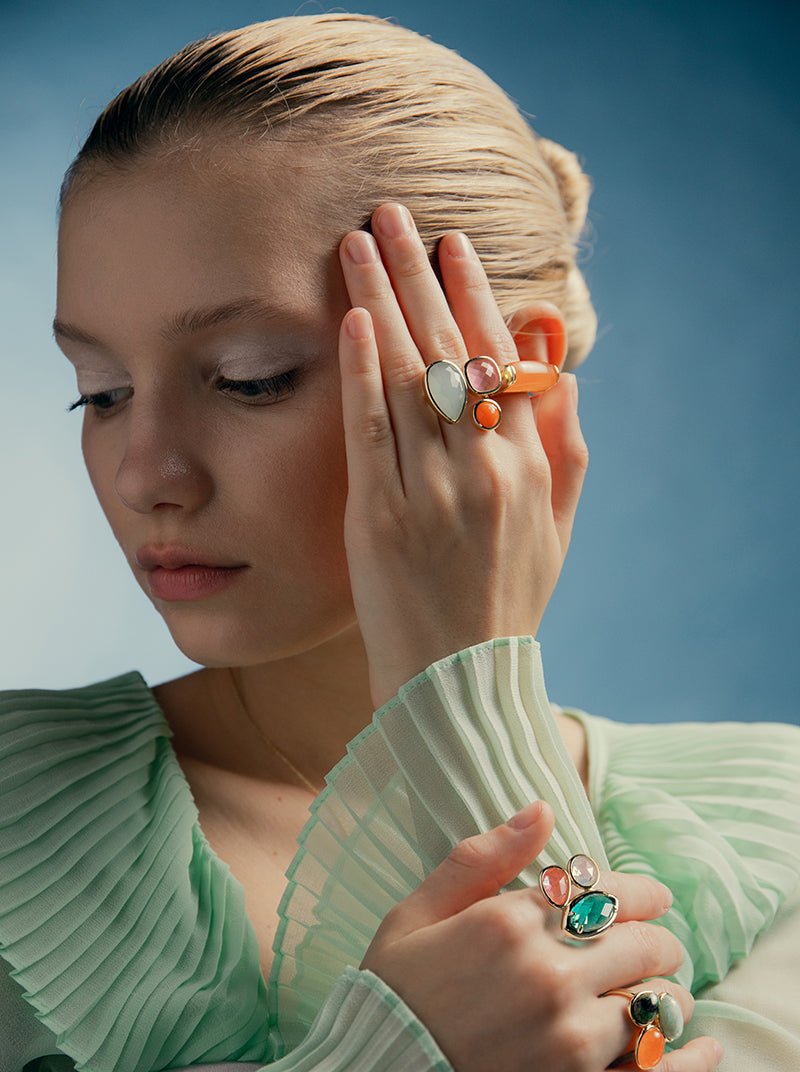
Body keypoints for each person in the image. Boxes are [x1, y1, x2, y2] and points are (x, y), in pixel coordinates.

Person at [1, 12, 797, 1072]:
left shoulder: (773, 828)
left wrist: (456, 681)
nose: (146, 473)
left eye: (248, 377)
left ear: (503, 378)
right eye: (99, 393)